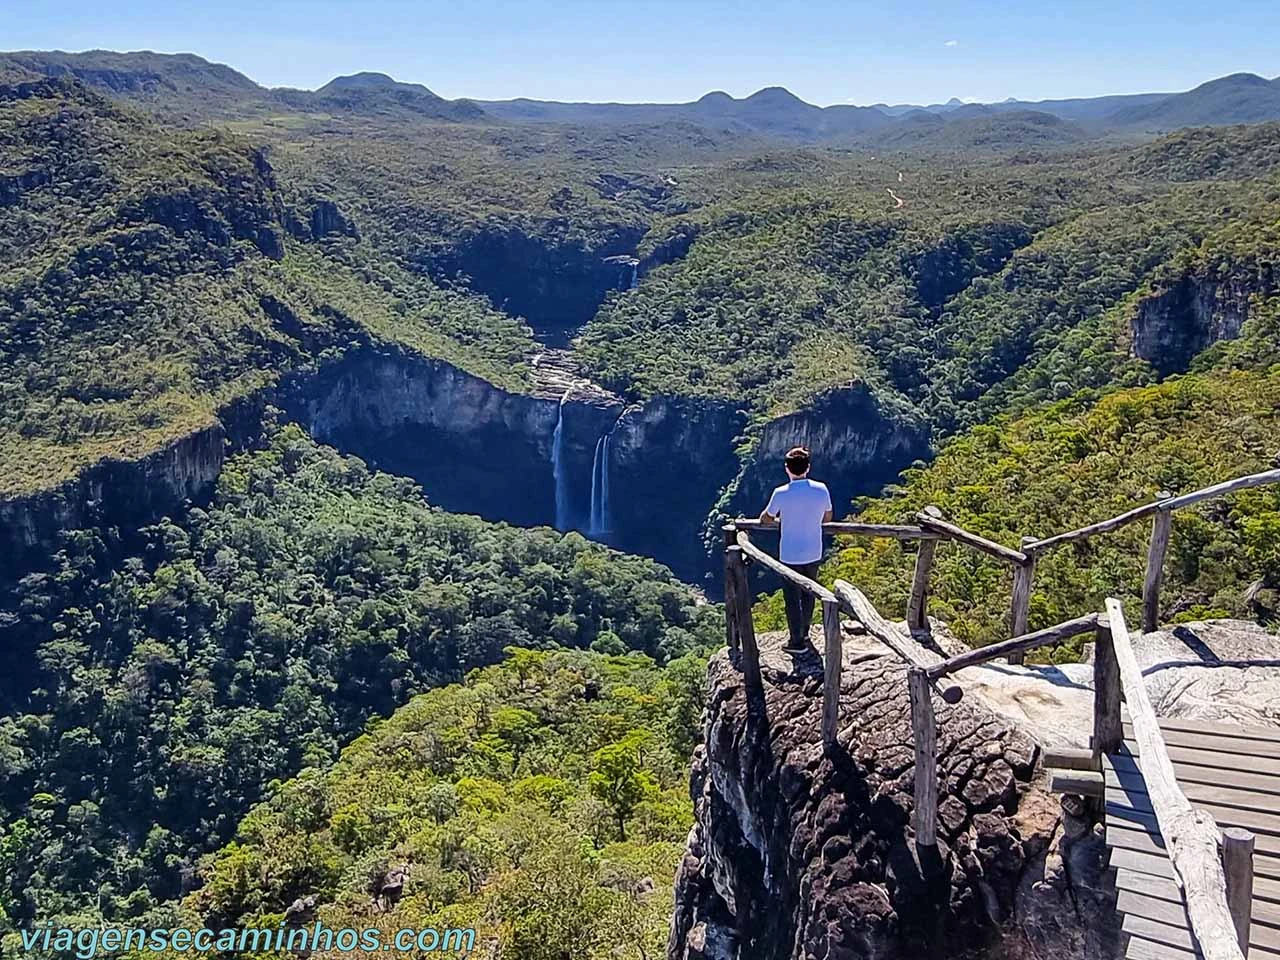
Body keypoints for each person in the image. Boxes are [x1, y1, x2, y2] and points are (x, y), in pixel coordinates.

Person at [759, 446, 833, 648]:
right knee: (809, 593)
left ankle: (796, 641)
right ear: (808, 467)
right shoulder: (821, 489)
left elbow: (766, 518)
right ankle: (805, 634)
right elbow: (827, 517)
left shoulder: (781, 493)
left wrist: (782, 519)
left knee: (792, 599)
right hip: (814, 550)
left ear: (787, 468)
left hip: (789, 554)